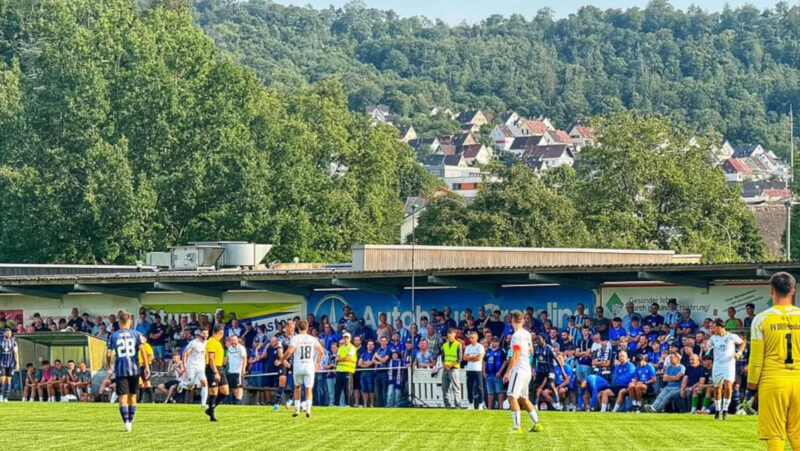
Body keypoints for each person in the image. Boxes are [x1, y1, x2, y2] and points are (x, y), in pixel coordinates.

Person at [747, 272, 800, 450]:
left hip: (774, 380)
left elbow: (755, 358)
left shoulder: (761, 319)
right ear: (793, 291)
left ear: (771, 291)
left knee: (775, 434)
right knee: (798, 433)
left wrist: (752, 383)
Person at [106, 312, 148, 432]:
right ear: (129, 321)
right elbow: (143, 350)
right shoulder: (136, 334)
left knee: (122, 398)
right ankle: (131, 420)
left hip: (120, 370)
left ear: (119, 322)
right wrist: (146, 367)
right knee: (133, 396)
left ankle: (126, 423)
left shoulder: (113, 335)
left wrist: (109, 365)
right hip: (134, 369)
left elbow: (108, 354)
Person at [276, 320, 324, 418]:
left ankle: (297, 410)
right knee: (308, 389)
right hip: (309, 366)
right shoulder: (312, 339)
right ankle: (308, 409)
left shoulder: (295, 338)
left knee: (297, 387)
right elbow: (321, 351)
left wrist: (282, 359)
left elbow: (290, 351)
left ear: (297, 328)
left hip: (298, 366)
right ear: (307, 328)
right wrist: (318, 363)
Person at [504, 311, 541, 434]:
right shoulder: (527, 334)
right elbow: (531, 350)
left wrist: (508, 372)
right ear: (523, 320)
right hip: (527, 369)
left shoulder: (515, 336)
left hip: (519, 369)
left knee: (511, 396)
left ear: (512, 321)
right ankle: (537, 424)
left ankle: (517, 427)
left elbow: (516, 355)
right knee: (523, 398)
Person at [708, 317, 745, 420]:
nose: (713, 329)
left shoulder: (732, 336)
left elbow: (742, 343)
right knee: (717, 388)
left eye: (714, 327)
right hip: (717, 365)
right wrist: (705, 348)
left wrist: (739, 353)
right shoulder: (713, 338)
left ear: (720, 327)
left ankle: (725, 410)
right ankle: (717, 410)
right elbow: (707, 347)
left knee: (728, 386)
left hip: (729, 364)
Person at [204, 324, 229, 422]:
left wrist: (224, 360)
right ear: (220, 333)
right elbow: (211, 359)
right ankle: (212, 415)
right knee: (214, 391)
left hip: (220, 367)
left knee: (225, 391)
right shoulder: (211, 342)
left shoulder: (217, 343)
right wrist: (215, 372)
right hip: (212, 369)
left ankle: (210, 409)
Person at [183, 329, 209, 407]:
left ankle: (203, 404)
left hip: (201, 367)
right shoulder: (193, 343)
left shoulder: (207, 343)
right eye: (204, 333)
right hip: (192, 366)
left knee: (204, 383)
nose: (205, 335)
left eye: (207, 333)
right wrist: (184, 364)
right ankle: (183, 384)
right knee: (191, 387)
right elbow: (185, 354)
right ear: (200, 333)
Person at [441, 328, 463, 409]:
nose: (449, 335)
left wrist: (449, 365)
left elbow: (459, 359)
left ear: (455, 334)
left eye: (451, 333)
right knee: (445, 388)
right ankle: (447, 405)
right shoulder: (444, 345)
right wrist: (444, 365)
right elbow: (443, 358)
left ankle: (457, 405)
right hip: (445, 369)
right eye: (448, 333)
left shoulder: (458, 344)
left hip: (454, 368)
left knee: (455, 387)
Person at [334, 332, 357, 407]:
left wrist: (341, 358)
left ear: (350, 339)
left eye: (347, 337)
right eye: (344, 337)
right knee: (337, 388)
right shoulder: (340, 348)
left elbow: (349, 358)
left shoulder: (352, 348)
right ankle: (336, 404)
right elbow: (337, 358)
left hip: (348, 370)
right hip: (339, 370)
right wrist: (343, 358)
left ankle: (348, 404)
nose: (345, 339)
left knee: (347, 388)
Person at [464, 331, 485, 410]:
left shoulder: (480, 347)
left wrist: (470, 357)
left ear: (476, 338)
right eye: (470, 338)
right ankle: (470, 404)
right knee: (469, 387)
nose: (471, 339)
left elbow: (479, 358)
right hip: (469, 369)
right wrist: (473, 357)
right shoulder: (468, 347)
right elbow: (465, 358)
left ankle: (480, 404)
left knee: (480, 387)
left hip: (477, 370)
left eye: (472, 338)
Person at [484, 336, 506, 410]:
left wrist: (500, 371)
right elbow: (484, 361)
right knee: (490, 392)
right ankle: (490, 407)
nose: (494, 343)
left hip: (497, 375)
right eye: (493, 341)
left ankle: (501, 407)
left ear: (499, 343)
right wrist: (484, 372)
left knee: (500, 391)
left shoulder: (501, 351)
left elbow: (505, 362)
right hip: (489, 375)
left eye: (496, 341)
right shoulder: (488, 351)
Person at [226, 335, 247, 404]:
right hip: (231, 370)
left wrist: (243, 368)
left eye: (234, 340)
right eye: (231, 340)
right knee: (233, 386)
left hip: (238, 370)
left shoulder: (241, 348)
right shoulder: (230, 349)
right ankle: (237, 399)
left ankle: (239, 400)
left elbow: (244, 358)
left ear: (237, 340)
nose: (233, 342)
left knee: (239, 386)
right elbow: (228, 357)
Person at [0, 327, 19, 402]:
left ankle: (6, 397)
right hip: (1, 362)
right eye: (7, 332)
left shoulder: (13, 341)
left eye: (9, 333)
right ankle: (1, 395)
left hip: (11, 363)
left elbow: (16, 352)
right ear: (4, 333)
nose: (8, 334)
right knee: (2, 379)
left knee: (8, 380)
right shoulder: (0, 340)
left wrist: (17, 363)